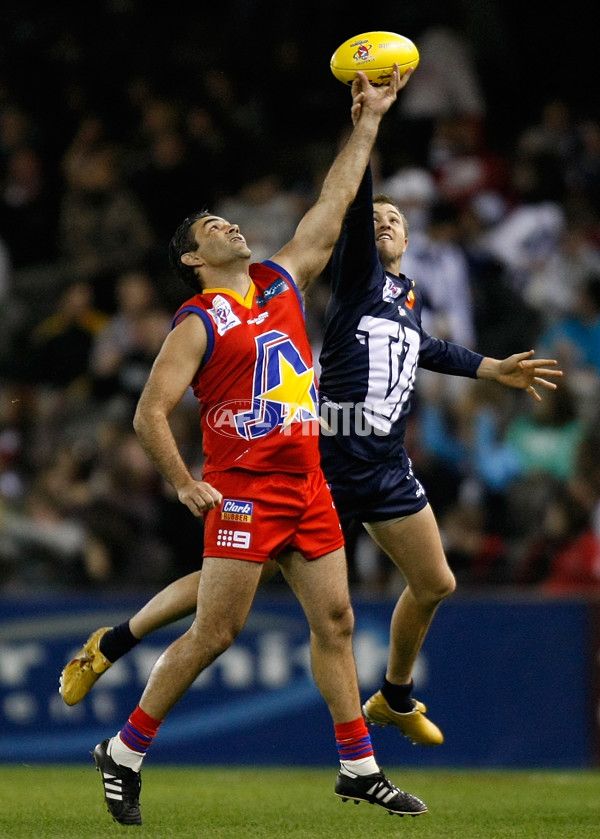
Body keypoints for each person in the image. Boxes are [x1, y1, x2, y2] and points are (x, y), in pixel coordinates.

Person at [61, 103, 564, 760]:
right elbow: (340, 207)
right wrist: (367, 125)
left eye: (398, 219)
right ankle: (116, 645)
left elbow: (420, 346)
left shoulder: (401, 296)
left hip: (379, 463)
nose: (385, 221)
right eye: (377, 215)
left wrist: (491, 366)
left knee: (431, 584)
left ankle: (391, 702)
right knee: (230, 600)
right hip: (318, 457)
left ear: (411, 242)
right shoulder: (345, 278)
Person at [75, 68, 429, 826]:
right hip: (242, 490)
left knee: (333, 623)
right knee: (217, 631)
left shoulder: (278, 282)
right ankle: (125, 749)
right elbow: (149, 412)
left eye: (228, 221)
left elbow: (332, 212)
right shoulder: (197, 320)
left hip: (308, 484)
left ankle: (359, 765)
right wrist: (182, 481)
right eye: (212, 227)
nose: (229, 226)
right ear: (193, 260)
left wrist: (367, 120)